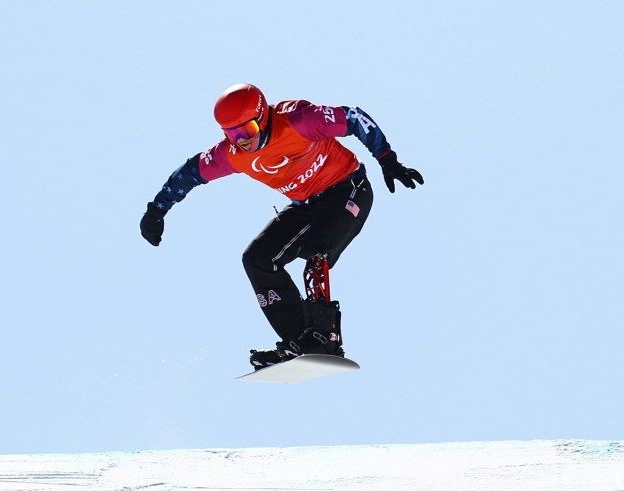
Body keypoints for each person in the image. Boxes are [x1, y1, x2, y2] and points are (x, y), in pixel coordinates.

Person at [139, 83, 423, 370]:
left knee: (317, 253)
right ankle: (300, 341)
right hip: (307, 205)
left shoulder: (299, 120)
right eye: (232, 134)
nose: (242, 141)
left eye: (246, 131)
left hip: (347, 188)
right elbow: (191, 172)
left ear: (262, 118)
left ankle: (326, 338)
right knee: (258, 259)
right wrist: (157, 209)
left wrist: (387, 159)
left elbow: (353, 117)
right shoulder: (233, 154)